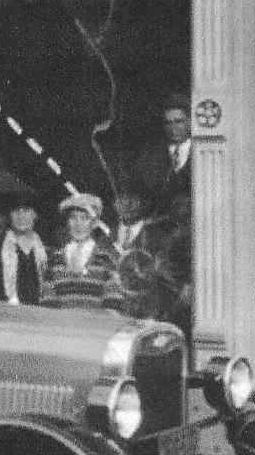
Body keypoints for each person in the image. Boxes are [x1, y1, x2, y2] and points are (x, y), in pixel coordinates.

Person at [111, 187, 190, 326]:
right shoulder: (102, 237)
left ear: (143, 203)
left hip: (149, 317)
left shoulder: (162, 237)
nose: (127, 203)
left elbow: (174, 283)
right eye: (121, 198)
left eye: (133, 199)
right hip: (112, 318)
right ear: (114, 203)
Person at [134, 93, 192, 219]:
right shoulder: (149, 157)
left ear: (189, 122)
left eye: (179, 121)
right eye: (168, 123)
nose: (173, 128)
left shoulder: (201, 153)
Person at [54, 193, 116, 290]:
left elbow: (112, 297)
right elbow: (48, 298)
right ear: (67, 222)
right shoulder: (56, 258)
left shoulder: (104, 258)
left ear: (94, 223)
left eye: (85, 218)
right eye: (73, 217)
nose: (78, 224)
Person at [0, 199, 47, 305]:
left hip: (40, 309)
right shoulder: (1, 244)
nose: (21, 216)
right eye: (16, 211)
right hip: (8, 309)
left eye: (26, 210)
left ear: (35, 214)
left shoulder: (43, 245)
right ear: (10, 215)